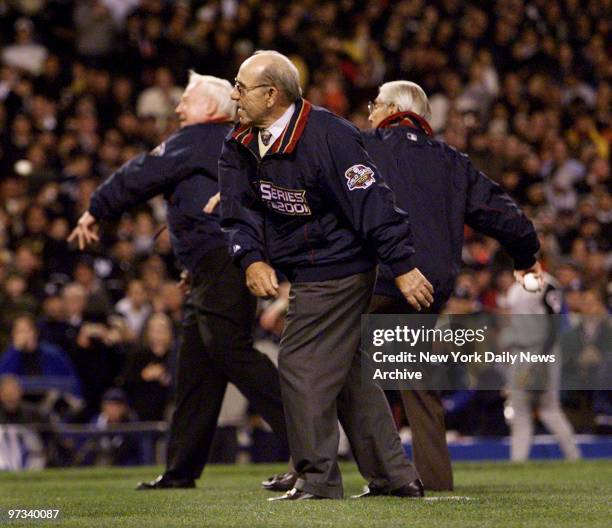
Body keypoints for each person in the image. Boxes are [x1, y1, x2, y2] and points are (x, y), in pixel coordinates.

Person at [220, 50, 433, 501]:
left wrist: (402, 265)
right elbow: (236, 211)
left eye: (241, 86)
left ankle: (316, 477)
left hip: (340, 264)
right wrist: (251, 258)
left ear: (271, 94)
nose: (233, 94)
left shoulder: (330, 135)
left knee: (301, 362)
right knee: (349, 374)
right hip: (305, 264)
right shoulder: (239, 140)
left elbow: (372, 201)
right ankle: (395, 476)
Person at [67, 71, 290, 490]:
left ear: (208, 108)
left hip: (223, 262)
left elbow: (141, 174)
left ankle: (307, 436)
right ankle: (180, 470)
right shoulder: (225, 141)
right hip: (211, 268)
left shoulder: (201, 137)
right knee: (195, 372)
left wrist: (96, 208)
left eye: (186, 98)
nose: (177, 106)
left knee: (230, 350)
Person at [364, 81, 542, 490]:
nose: (370, 110)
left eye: (375, 104)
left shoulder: (363, 147)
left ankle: (355, 471)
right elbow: (504, 214)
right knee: (420, 389)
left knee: (330, 365)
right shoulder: (451, 161)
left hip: (378, 280)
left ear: (392, 108)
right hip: (428, 289)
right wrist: (526, 255)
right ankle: (436, 484)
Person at [498, 273, 581, 462]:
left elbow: (555, 322)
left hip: (543, 350)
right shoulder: (514, 289)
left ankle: (574, 457)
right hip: (519, 352)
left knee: (548, 408)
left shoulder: (547, 283)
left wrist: (542, 358)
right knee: (520, 410)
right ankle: (518, 463)